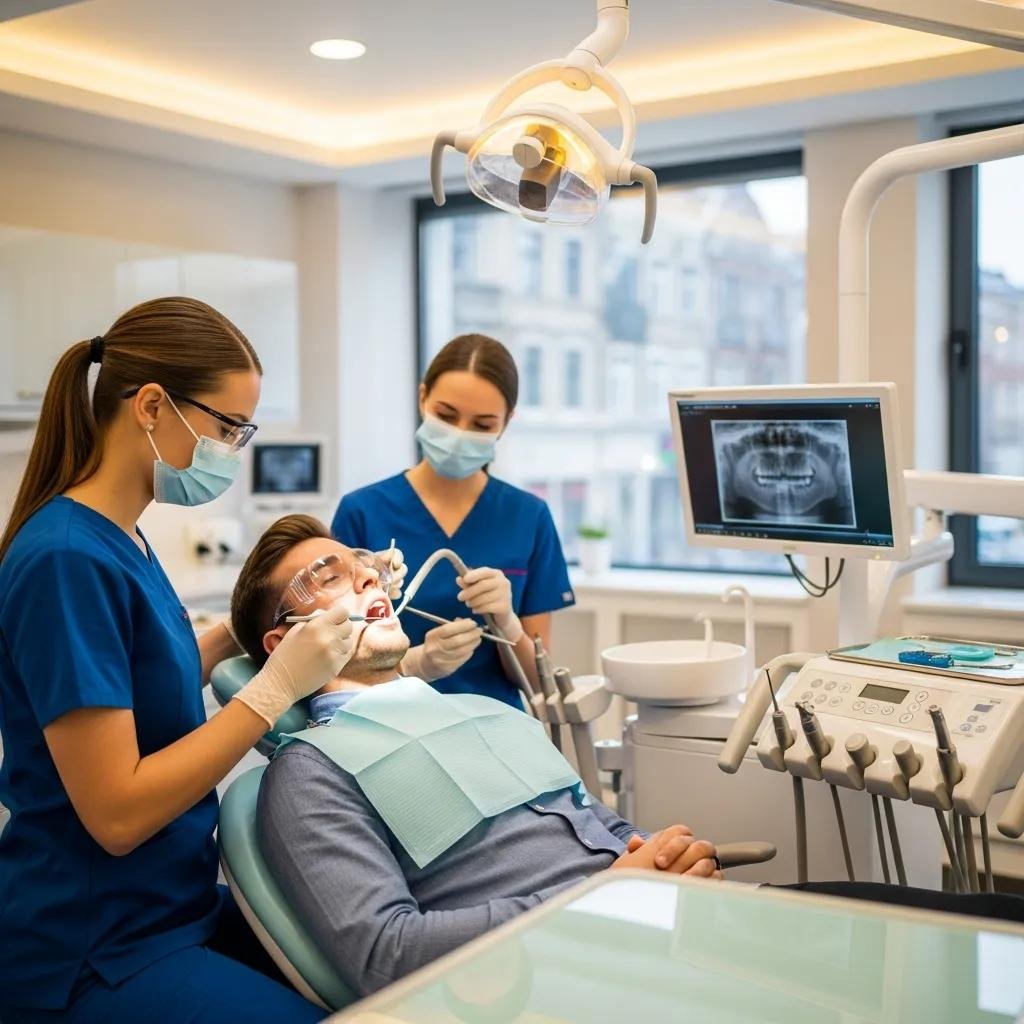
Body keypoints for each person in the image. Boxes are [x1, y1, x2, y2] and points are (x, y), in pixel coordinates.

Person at [0, 298, 363, 1023]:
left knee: (372, 984)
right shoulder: (66, 559)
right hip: (94, 946)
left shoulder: (123, 537)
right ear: (153, 406)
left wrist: (240, 633)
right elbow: (117, 812)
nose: (234, 448)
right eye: (228, 428)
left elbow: (140, 681)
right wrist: (273, 687)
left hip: (175, 905)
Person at [229, 515, 721, 999]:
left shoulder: (485, 712)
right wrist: (596, 901)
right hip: (551, 981)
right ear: (285, 643)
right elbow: (385, 955)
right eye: (330, 578)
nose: (367, 575)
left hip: (658, 931)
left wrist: (666, 857)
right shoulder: (313, 771)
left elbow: (602, 828)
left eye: (362, 565)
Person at [332, 333, 575, 706]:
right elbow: (333, 665)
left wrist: (508, 623)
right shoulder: (362, 512)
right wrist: (412, 664)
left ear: (506, 423)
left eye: (481, 425)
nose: (460, 435)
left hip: (494, 733)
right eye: (446, 416)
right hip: (387, 727)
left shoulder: (529, 517)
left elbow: (538, 684)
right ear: (422, 398)